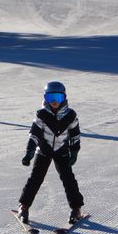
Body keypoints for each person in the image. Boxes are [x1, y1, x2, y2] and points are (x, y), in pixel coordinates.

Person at [18, 81, 84, 225]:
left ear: (64, 98)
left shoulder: (70, 115)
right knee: (35, 179)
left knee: (68, 179)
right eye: (50, 98)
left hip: (62, 150)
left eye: (58, 97)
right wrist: (29, 152)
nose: (54, 101)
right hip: (44, 150)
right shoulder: (41, 115)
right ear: (45, 98)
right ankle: (24, 207)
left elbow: (75, 135)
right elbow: (34, 134)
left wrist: (74, 152)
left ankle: (76, 209)